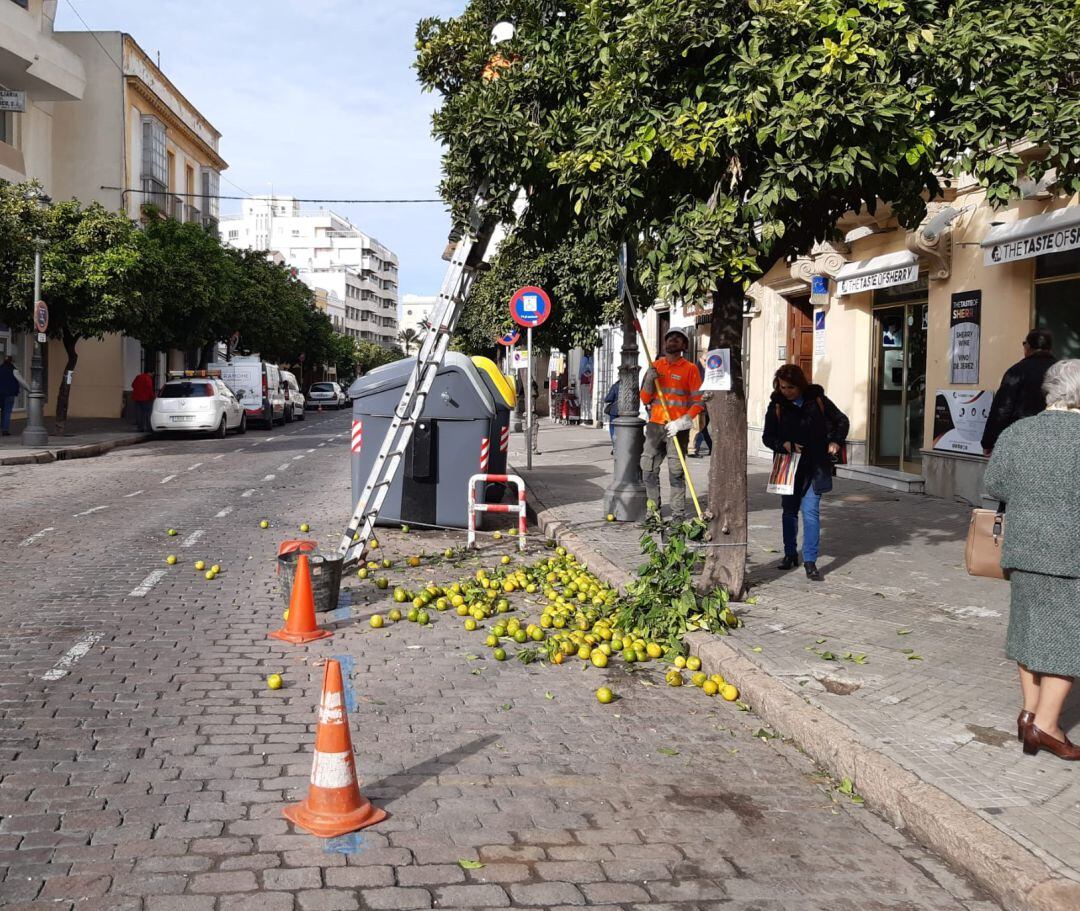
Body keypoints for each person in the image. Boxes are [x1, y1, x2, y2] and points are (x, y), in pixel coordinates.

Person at [985, 359, 1080, 761]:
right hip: (1069, 553)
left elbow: (994, 484)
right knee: (1067, 642)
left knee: (1026, 630)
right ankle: (1047, 725)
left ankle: (1029, 713)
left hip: (1022, 548)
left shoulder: (1018, 431)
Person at [762, 364, 849, 581]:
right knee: (789, 512)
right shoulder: (776, 406)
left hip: (815, 466)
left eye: (791, 387)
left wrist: (836, 441)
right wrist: (785, 445)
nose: (786, 391)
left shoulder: (817, 400)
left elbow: (842, 420)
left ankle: (810, 561)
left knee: (811, 512)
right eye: (782, 387)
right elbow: (767, 437)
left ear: (800, 385)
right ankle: (790, 554)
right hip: (788, 466)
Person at [639, 328, 703, 521]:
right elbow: (644, 398)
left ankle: (677, 513)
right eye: (669, 337)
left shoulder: (690, 369)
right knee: (648, 468)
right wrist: (649, 380)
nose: (673, 340)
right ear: (664, 343)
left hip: (677, 429)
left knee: (676, 472)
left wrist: (683, 422)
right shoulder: (655, 366)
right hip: (655, 425)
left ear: (684, 345)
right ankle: (653, 511)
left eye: (678, 338)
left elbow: (699, 402)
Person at [981, 329, 1057, 455]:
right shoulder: (1062, 372)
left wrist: (988, 442)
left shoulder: (1017, 372)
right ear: (1050, 348)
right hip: (1056, 441)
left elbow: (1002, 409)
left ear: (1028, 346)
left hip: (1022, 442)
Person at [0, 355, 29, 436]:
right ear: (12, 362)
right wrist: (30, 390)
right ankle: (5, 430)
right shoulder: (14, 370)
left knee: (3, 411)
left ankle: (2, 427)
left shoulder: (0, 369)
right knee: (7, 412)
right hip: (10, 394)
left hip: (0, 394)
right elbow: (22, 382)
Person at [603, 380, 620, 451]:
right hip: (627, 412)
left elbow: (608, 399)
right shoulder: (632, 385)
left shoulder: (616, 386)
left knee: (613, 430)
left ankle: (615, 447)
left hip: (615, 411)